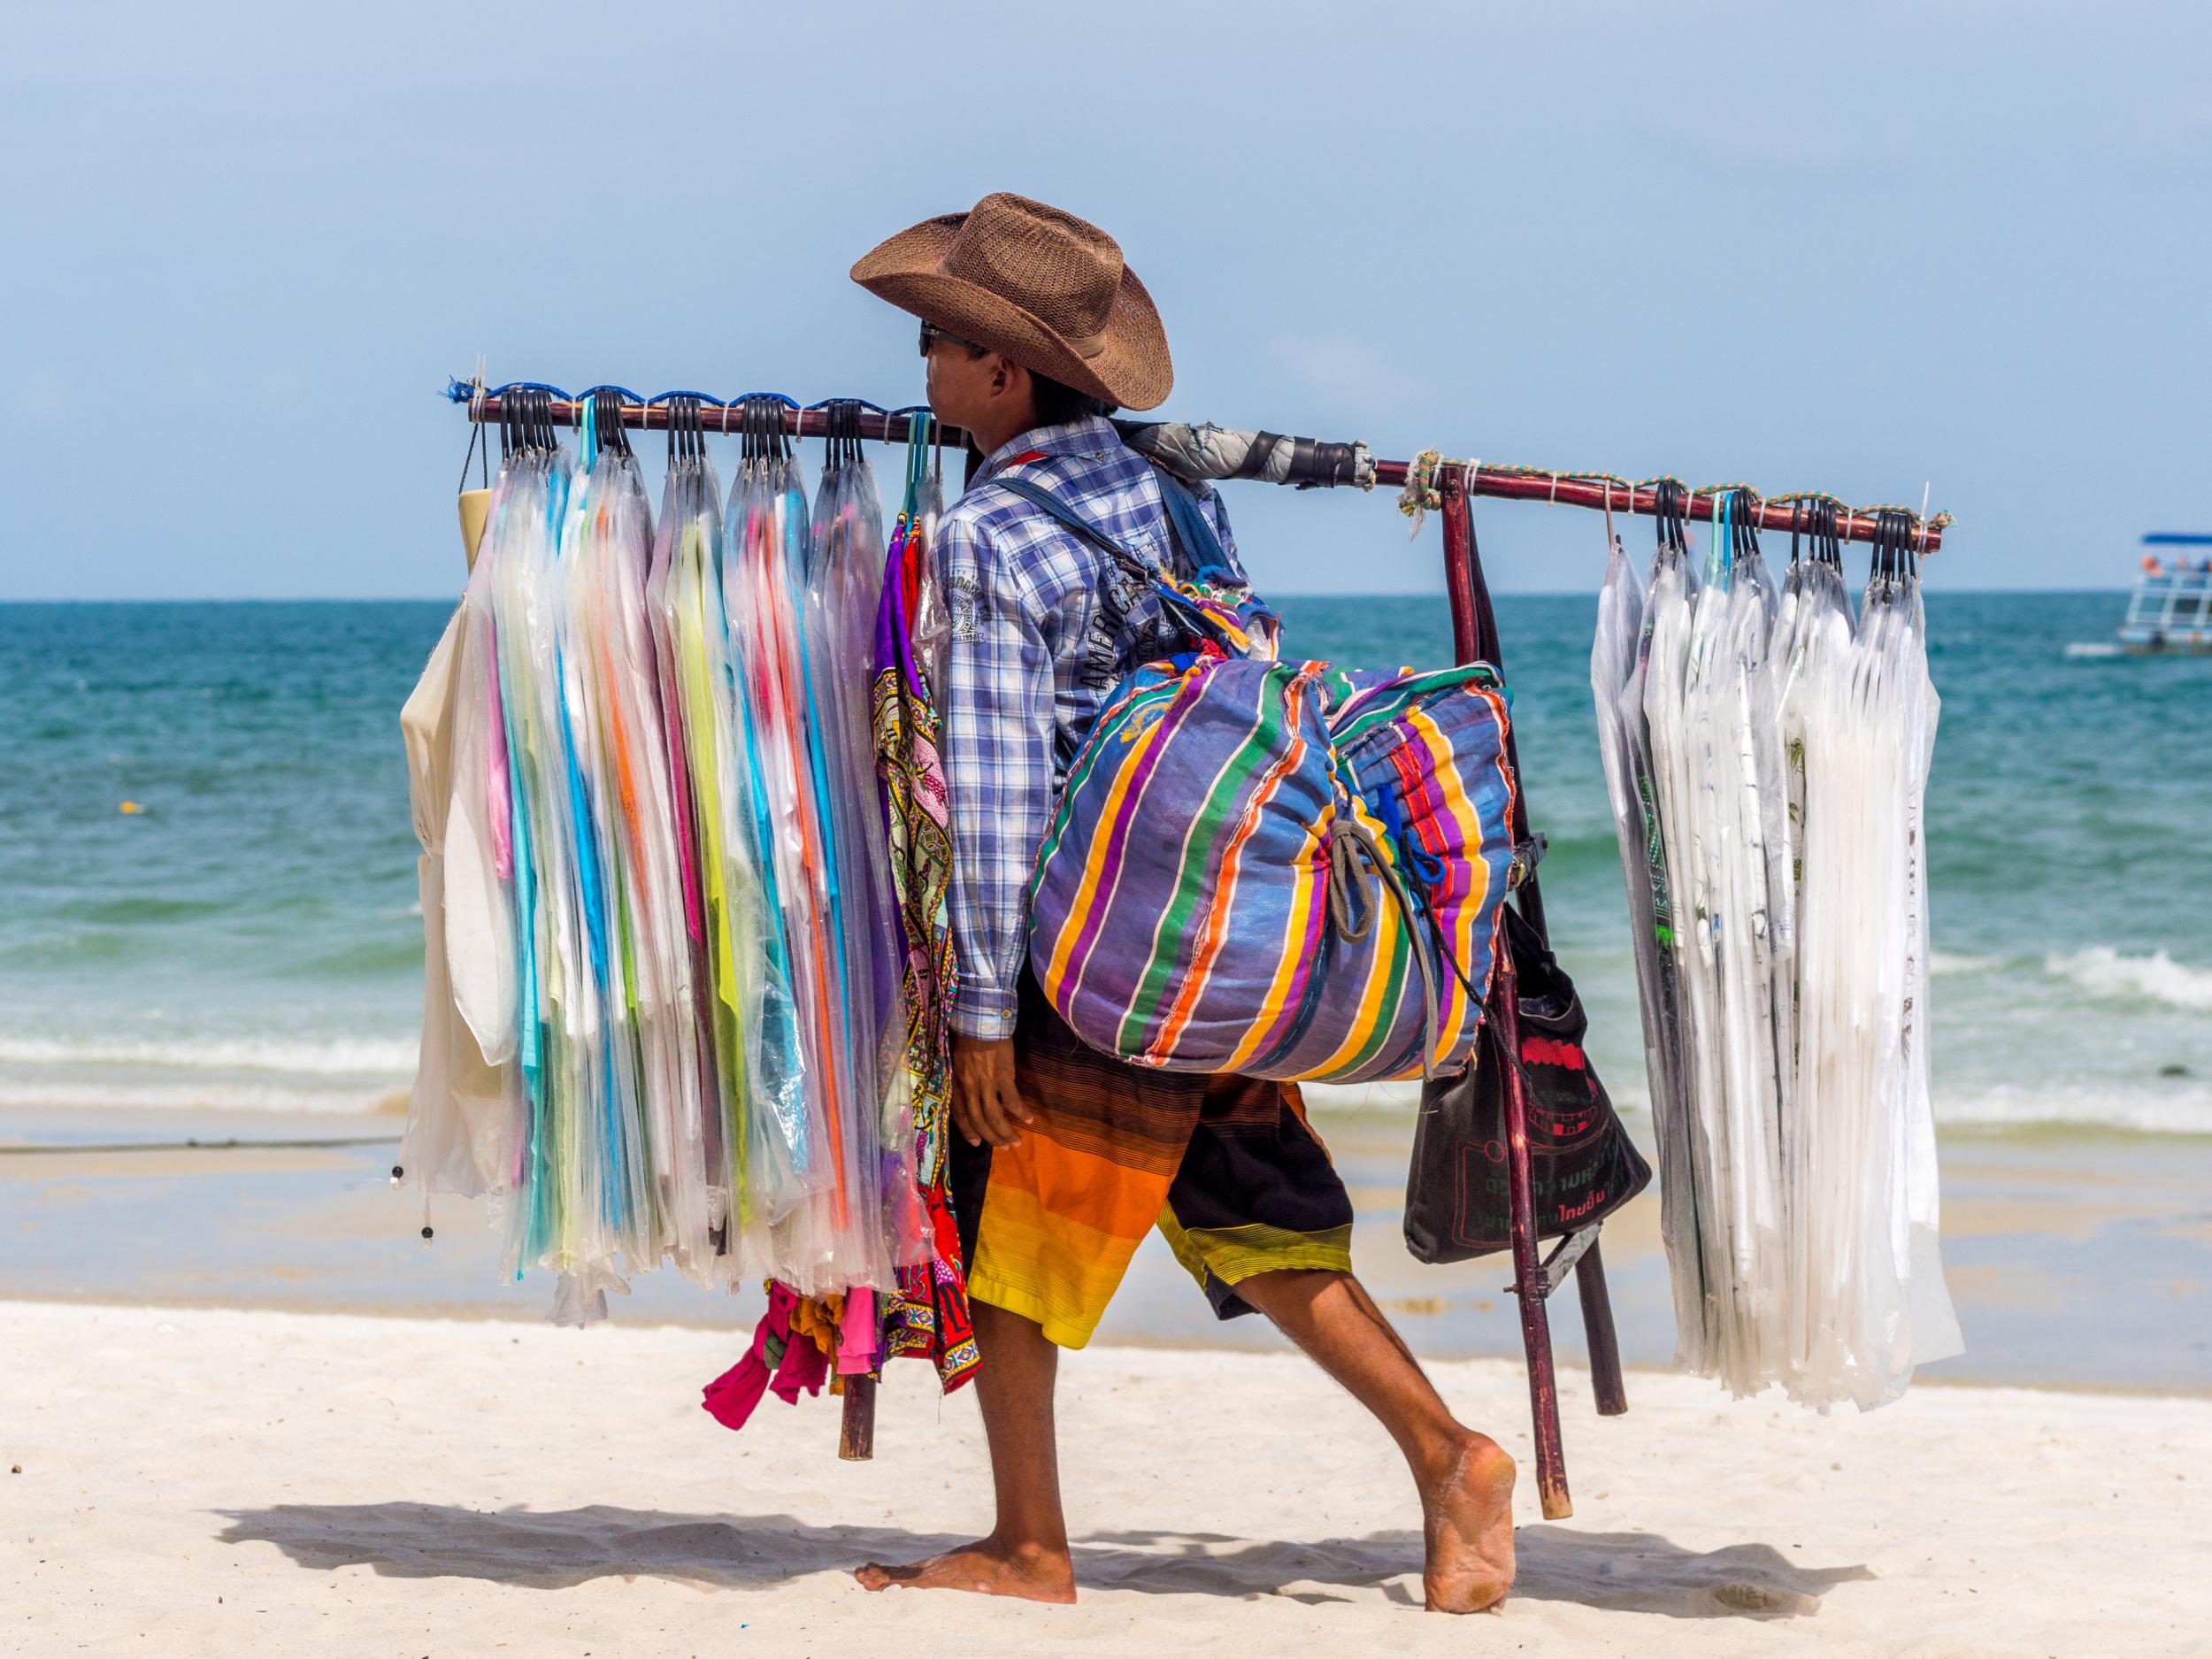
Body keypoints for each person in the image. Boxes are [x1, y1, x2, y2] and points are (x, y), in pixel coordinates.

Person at [846, 193, 1517, 1614]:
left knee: (1011, 1218)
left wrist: (976, 1013)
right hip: (1219, 935)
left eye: (940, 347)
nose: (924, 370)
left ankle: (1030, 1546)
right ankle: (1448, 1457)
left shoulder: (985, 542)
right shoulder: (1174, 499)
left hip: (1085, 956)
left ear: (1004, 375)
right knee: (1247, 1201)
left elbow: (1000, 789)